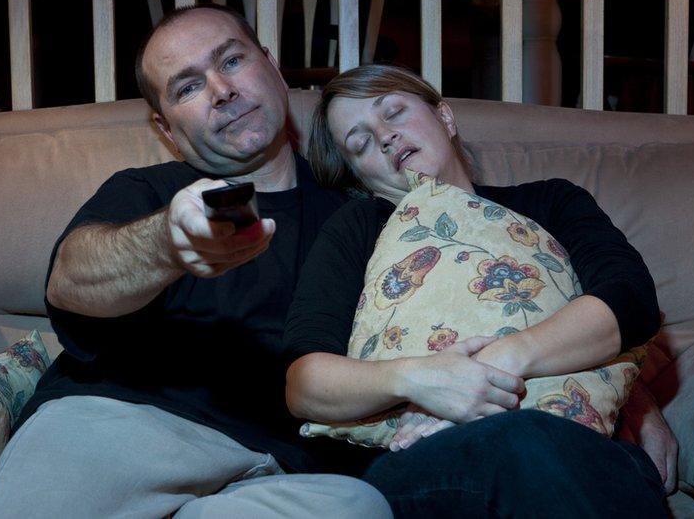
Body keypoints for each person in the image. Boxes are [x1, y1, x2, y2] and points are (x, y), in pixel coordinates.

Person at [0, 5, 391, 518]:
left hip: (273, 474)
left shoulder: (360, 218)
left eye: (233, 61)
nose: (222, 91)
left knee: (358, 506)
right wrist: (167, 244)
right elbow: (71, 281)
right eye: (188, 88)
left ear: (272, 65)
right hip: (118, 432)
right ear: (168, 129)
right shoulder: (146, 190)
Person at [283, 64, 673, 517]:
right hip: (418, 463)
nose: (385, 136)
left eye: (393, 112)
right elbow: (304, 383)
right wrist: (422, 380)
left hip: (574, 443)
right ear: (360, 176)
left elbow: (630, 301)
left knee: (577, 454)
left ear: (445, 118)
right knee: (524, 442)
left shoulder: (552, 201)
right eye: (361, 142)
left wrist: (490, 367)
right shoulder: (358, 228)